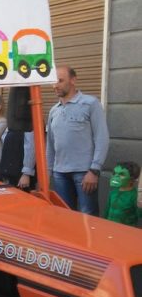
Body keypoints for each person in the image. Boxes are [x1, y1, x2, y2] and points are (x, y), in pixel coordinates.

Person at [46, 66, 109, 216]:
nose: (55, 85)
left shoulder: (90, 104)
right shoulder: (54, 110)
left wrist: (94, 170)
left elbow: (102, 138)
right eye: (53, 82)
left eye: (60, 81)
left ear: (73, 80)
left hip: (84, 173)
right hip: (59, 174)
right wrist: (47, 173)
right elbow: (50, 145)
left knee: (88, 217)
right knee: (65, 217)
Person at [104, 162, 140, 226]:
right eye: (114, 173)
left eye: (122, 174)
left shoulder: (134, 196)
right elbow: (106, 211)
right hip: (109, 227)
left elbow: (139, 214)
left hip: (126, 231)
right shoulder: (113, 192)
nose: (116, 176)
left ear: (132, 179)